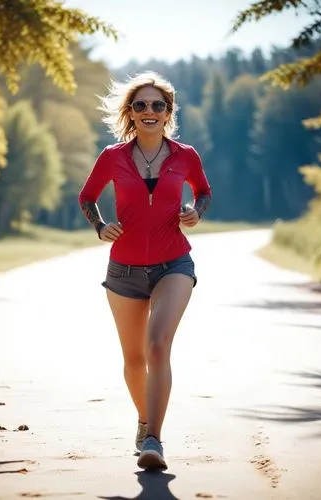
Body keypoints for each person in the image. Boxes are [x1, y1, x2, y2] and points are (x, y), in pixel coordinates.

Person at [78, 71, 212, 471]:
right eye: (141, 105)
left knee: (157, 347)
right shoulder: (112, 157)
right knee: (134, 360)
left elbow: (203, 192)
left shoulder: (185, 156)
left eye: (157, 105)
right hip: (124, 270)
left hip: (174, 264)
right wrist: (101, 226)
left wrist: (194, 212)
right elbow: (87, 196)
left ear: (168, 112)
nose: (149, 111)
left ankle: (153, 439)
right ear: (131, 114)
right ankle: (143, 421)